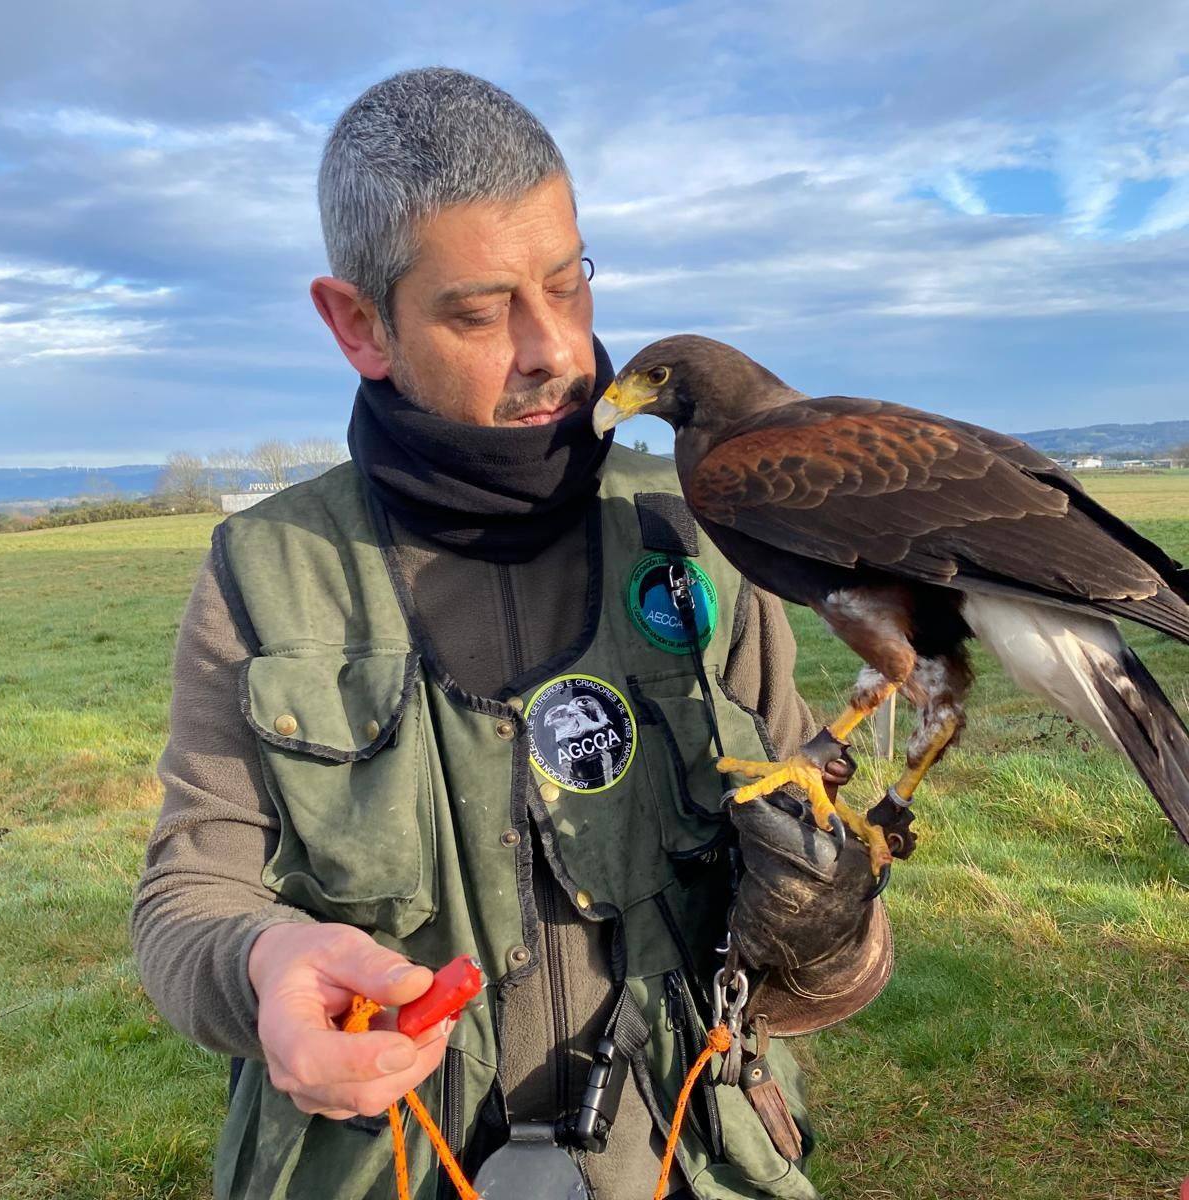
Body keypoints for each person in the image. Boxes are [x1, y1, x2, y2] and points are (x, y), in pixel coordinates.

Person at [131, 68, 892, 1200]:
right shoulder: (265, 574)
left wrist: (832, 931)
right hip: (391, 1166)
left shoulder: (695, 540)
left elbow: (811, 964)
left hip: (686, 1159)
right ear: (359, 323)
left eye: (569, 284)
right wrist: (266, 964)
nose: (560, 353)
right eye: (480, 312)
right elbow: (186, 900)